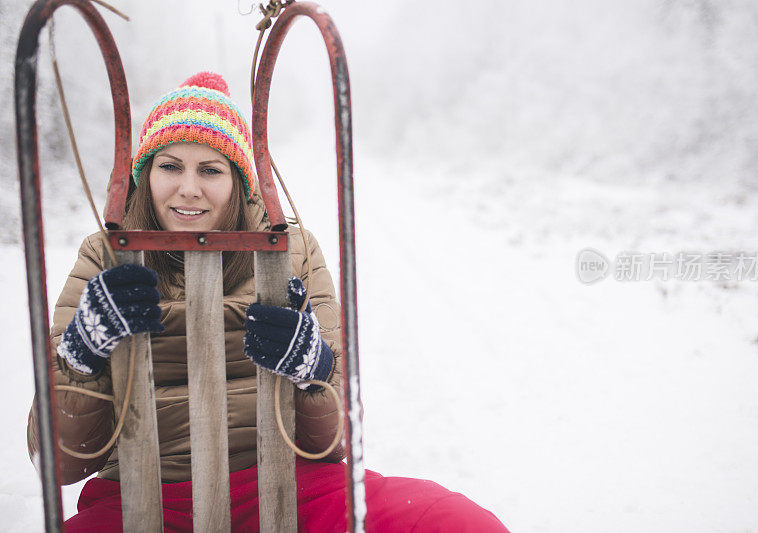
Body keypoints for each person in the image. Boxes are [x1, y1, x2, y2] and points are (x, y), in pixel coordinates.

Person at [27, 72, 508, 532]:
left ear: (239, 180)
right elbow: (57, 463)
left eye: (210, 170)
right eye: (169, 166)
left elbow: (334, 442)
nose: (188, 188)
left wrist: (312, 370)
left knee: (457, 523)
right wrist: (80, 357)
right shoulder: (107, 256)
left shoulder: (290, 251)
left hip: (292, 484)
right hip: (145, 494)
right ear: (144, 175)